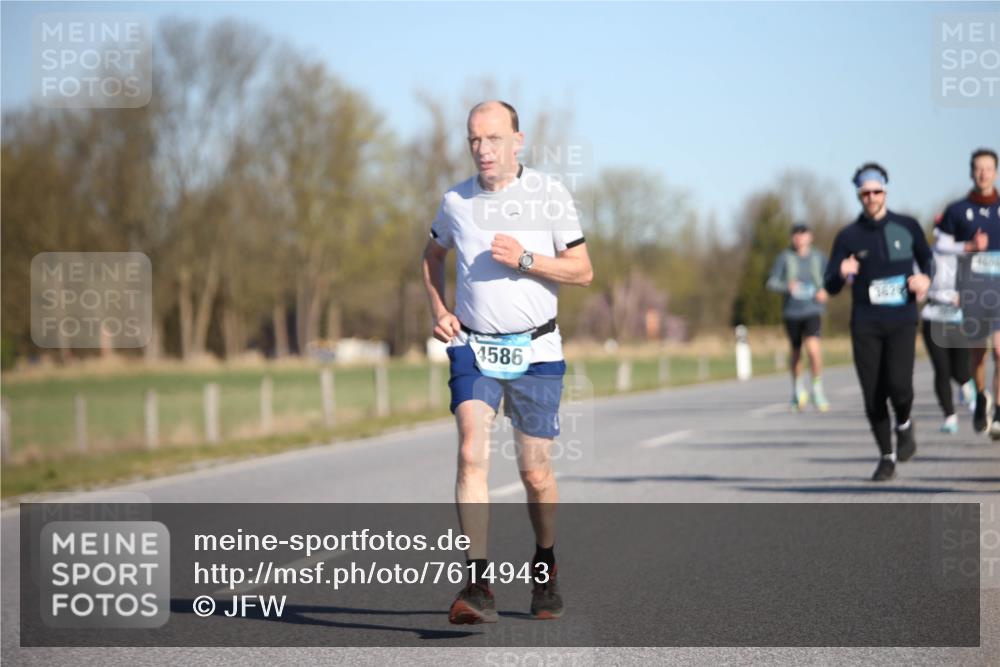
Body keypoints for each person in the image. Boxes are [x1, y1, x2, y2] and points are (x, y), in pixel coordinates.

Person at [421, 100, 592, 623]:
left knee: (534, 471)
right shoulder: (455, 202)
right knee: (472, 451)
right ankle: (478, 585)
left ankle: (545, 567)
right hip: (474, 347)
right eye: (474, 140)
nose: (483, 150)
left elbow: (583, 271)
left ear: (517, 141)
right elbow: (431, 257)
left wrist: (524, 258)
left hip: (537, 350)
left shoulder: (549, 194)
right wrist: (440, 310)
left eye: (493, 139)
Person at [824, 162, 931, 481]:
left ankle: (905, 424)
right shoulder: (848, 236)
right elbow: (829, 285)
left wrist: (925, 279)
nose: (871, 197)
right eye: (865, 193)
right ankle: (887, 456)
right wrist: (840, 274)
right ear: (858, 195)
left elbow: (928, 261)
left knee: (899, 386)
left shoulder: (907, 226)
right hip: (865, 322)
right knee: (872, 393)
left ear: (885, 191)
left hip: (901, 318)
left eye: (876, 191)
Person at [935, 148, 1000, 437]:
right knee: (979, 354)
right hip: (972, 291)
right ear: (971, 172)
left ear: (996, 172)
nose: (983, 173)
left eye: (989, 168)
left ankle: (998, 410)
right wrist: (969, 247)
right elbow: (941, 246)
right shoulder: (957, 210)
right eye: (978, 168)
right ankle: (981, 395)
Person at [766, 222, 830, 412]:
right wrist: (787, 286)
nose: (800, 238)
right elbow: (771, 282)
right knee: (796, 352)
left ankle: (817, 390)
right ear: (792, 238)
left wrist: (825, 291)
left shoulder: (819, 257)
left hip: (813, 310)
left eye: (803, 234)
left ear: (810, 237)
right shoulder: (784, 258)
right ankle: (798, 390)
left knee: (813, 348)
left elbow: (831, 278)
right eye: (796, 234)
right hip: (792, 311)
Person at [921, 211, 975, 434]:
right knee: (941, 370)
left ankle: (967, 386)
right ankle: (949, 416)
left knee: (960, 370)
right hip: (933, 315)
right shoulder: (926, 254)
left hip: (958, 316)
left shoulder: (964, 254)